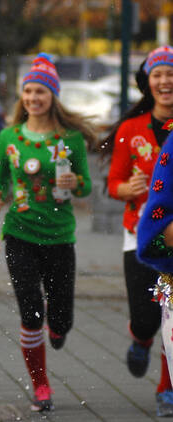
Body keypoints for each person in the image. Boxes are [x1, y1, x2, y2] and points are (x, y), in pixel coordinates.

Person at [0, 53, 96, 412]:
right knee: (31, 312)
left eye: (41, 92)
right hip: (19, 234)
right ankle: (41, 386)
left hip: (60, 237)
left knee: (61, 319)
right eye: (29, 91)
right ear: (23, 96)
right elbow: (0, 180)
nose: (34, 98)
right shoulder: (9, 137)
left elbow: (84, 188)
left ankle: (59, 328)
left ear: (53, 96)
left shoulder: (71, 140)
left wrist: (75, 181)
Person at [101, 45, 173, 417]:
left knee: (171, 318)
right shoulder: (131, 130)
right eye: (159, 73)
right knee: (147, 319)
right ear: (148, 80)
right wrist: (125, 189)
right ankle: (140, 339)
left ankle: (167, 389)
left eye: (171, 73)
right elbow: (112, 183)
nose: (166, 80)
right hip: (140, 237)